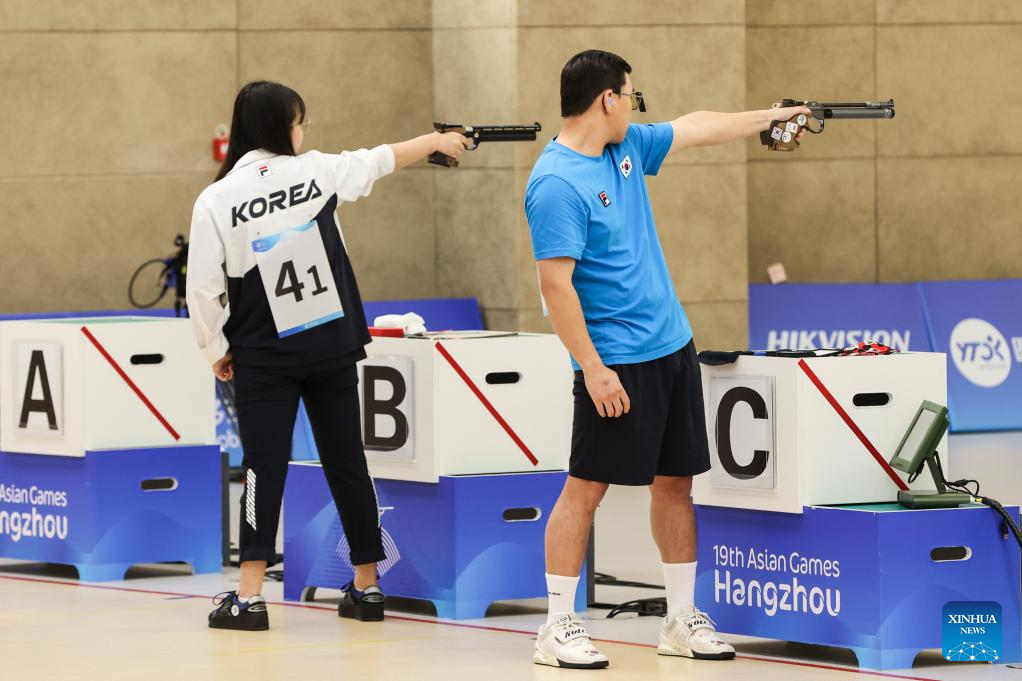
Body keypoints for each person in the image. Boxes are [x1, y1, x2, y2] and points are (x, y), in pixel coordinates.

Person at [524, 50, 809, 669]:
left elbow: (697, 125)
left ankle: (679, 619)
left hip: (672, 345)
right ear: (607, 99)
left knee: (676, 483)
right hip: (615, 360)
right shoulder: (554, 183)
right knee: (586, 488)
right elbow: (555, 287)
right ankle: (556, 626)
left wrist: (771, 116)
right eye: (631, 93)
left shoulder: (625, 149)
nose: (634, 103)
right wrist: (593, 369)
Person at [186, 80, 469, 631]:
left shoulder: (217, 199)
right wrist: (439, 139)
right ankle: (367, 587)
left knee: (263, 471)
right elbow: (384, 158)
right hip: (331, 342)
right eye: (299, 122)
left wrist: (216, 349)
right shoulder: (314, 172)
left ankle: (249, 596)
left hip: (262, 353)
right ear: (279, 127)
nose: (302, 132)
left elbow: (202, 290)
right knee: (348, 461)